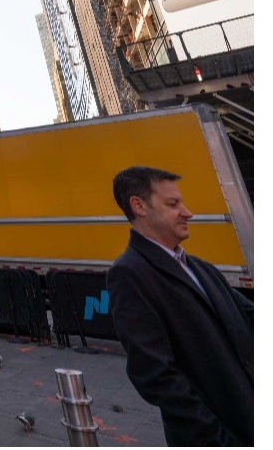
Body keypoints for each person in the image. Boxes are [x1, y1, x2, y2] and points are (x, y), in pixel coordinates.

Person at [106, 166, 254, 446]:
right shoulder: (129, 274)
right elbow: (155, 376)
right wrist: (219, 440)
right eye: (173, 204)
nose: (188, 212)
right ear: (139, 206)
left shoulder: (200, 267)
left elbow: (246, 317)